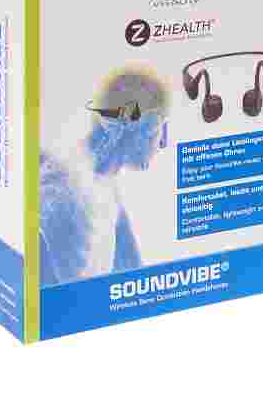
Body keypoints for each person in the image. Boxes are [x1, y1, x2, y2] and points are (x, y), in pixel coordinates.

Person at [40, 69, 169, 286]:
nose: (163, 142)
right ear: (133, 125)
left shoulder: (107, 186)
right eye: (158, 128)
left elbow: (133, 271)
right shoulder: (62, 184)